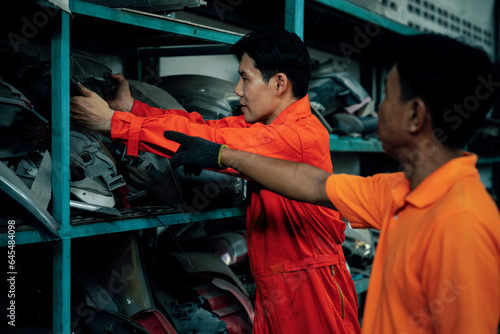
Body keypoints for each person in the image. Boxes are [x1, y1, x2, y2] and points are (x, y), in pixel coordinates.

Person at [162, 33, 500, 334]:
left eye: (387, 97)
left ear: (414, 116)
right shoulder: (399, 191)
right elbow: (315, 183)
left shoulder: (461, 222)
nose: (377, 111)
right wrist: (224, 156)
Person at [70, 30, 361, 333]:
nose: (238, 90)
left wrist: (113, 123)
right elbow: (198, 126)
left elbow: (213, 141)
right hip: (281, 286)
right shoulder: (271, 127)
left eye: (245, 79)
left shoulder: (296, 136)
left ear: (279, 84)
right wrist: (132, 109)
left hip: (311, 289)